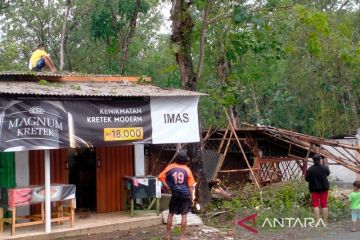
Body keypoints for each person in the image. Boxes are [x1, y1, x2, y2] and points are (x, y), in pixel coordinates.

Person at [158, 149, 196, 240]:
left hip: (175, 194)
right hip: (185, 195)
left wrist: (167, 187)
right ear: (185, 160)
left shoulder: (170, 167)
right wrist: (192, 197)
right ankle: (182, 237)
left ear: (177, 158)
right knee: (184, 215)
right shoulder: (187, 169)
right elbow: (191, 186)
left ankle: (168, 235)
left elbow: (160, 177)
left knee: (171, 214)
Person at [305, 153, 330, 224]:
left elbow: (307, 179)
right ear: (320, 160)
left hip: (314, 189)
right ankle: (325, 222)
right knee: (324, 205)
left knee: (316, 205)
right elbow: (328, 174)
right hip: (324, 189)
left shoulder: (310, 169)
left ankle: (318, 222)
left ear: (313, 160)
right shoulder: (325, 167)